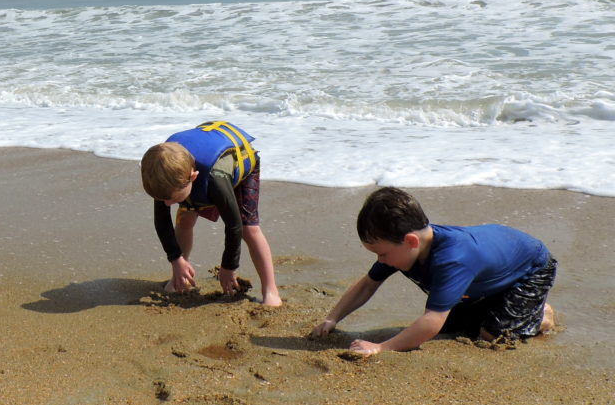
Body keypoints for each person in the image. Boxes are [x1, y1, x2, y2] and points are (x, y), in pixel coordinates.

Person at [310, 186, 556, 355]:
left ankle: (541, 315)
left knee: (491, 335)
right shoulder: (406, 247)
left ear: (411, 241)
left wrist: (381, 347)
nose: (380, 260)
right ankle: (502, 305)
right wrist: (332, 317)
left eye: (382, 254)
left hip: (531, 268)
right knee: (454, 327)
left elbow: (431, 323)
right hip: (490, 269)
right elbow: (367, 284)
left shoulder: (452, 260)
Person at [140, 120, 282, 307]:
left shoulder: (216, 180)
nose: (166, 204)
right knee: (184, 219)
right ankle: (180, 277)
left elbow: (234, 225)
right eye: (162, 198)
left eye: (171, 198)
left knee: (249, 229)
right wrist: (176, 260)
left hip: (240, 163)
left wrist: (228, 267)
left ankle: (271, 290)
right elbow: (162, 223)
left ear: (193, 177)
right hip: (195, 171)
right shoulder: (163, 177)